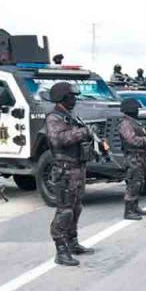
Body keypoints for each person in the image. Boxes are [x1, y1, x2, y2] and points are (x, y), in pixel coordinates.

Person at [46, 82, 96, 266]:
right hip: (65, 170)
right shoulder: (54, 118)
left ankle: (72, 243)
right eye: (71, 96)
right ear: (62, 97)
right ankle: (60, 250)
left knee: (76, 207)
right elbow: (58, 139)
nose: (74, 99)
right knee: (65, 211)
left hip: (77, 168)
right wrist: (83, 133)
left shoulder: (69, 116)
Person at [118, 98, 146, 217]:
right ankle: (129, 211)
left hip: (139, 156)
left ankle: (135, 206)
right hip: (133, 157)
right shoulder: (126, 124)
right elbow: (131, 140)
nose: (138, 111)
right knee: (133, 183)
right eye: (136, 109)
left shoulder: (134, 122)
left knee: (139, 183)